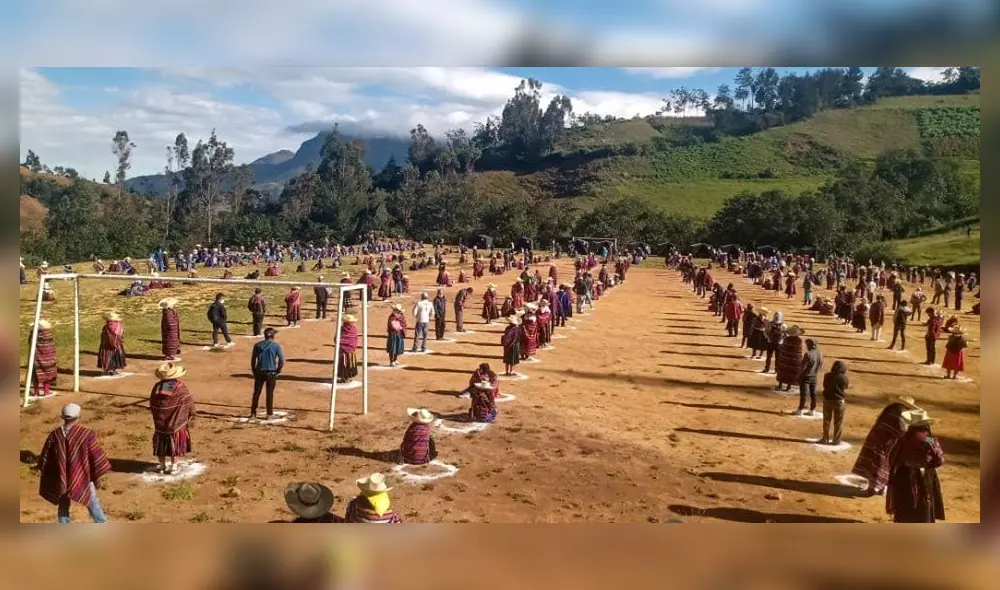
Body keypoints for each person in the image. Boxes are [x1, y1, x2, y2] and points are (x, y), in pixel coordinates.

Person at [35, 403, 110, 523]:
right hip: (82, 475)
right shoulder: (86, 434)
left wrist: (44, 471)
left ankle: (64, 524)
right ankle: (101, 522)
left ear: (63, 417)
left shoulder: (54, 435)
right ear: (78, 417)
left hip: (62, 476)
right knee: (92, 500)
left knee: (63, 502)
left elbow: (46, 457)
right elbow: (96, 456)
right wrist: (97, 475)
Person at [851, 396, 921, 496]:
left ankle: (877, 486)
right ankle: (875, 487)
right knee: (881, 463)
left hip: (878, 439)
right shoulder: (898, 413)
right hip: (884, 443)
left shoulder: (892, 409)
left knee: (876, 461)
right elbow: (900, 430)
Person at [886, 410, 946, 523]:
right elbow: (939, 460)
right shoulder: (929, 439)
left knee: (904, 503)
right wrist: (928, 466)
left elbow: (892, 458)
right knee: (923, 502)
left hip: (903, 474)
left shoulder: (902, 437)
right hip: (923, 476)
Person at [149, 362, 195, 475]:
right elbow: (188, 402)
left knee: (161, 441)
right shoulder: (180, 387)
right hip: (175, 422)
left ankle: (162, 465)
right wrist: (192, 412)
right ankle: (174, 465)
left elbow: (152, 403)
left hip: (160, 422)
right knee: (174, 440)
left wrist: (159, 415)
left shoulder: (156, 387)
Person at [250, 328, 285, 419]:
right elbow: (281, 360)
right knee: (269, 394)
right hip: (271, 372)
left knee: (257, 392)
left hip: (259, 372)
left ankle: (253, 412)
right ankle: (269, 414)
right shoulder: (276, 346)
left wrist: (254, 371)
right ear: (272, 336)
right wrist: (278, 370)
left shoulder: (257, 345)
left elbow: (253, 360)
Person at [819, 360, 850, 446]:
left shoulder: (827, 375)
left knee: (826, 421)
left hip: (828, 401)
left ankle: (825, 438)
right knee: (838, 423)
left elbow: (825, 385)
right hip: (839, 402)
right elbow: (846, 387)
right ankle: (836, 440)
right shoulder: (844, 378)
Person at [28, 319, 58, 397]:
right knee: (47, 373)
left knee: (36, 374)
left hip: (36, 359)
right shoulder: (48, 335)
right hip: (48, 359)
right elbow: (52, 346)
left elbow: (30, 343)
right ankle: (46, 391)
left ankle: (36, 391)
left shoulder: (33, 335)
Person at [796, 338, 823, 416]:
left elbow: (803, 367)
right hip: (814, 376)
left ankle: (800, 409)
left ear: (810, 345)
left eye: (807, 344)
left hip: (805, 377)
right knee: (813, 394)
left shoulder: (808, 354)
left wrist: (799, 376)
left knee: (803, 394)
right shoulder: (820, 353)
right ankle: (812, 410)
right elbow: (821, 365)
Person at [775, 325, 805, 392]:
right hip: (794, 361)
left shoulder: (787, 339)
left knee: (783, 372)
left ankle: (780, 385)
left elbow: (782, 348)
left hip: (785, 359)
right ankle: (788, 386)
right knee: (790, 373)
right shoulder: (799, 341)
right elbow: (799, 351)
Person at [337, 314, 359, 383]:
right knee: (349, 364)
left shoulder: (341, 329)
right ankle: (347, 377)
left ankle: (344, 378)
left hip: (343, 351)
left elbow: (337, 339)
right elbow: (355, 339)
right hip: (351, 350)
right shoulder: (354, 329)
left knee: (344, 364)